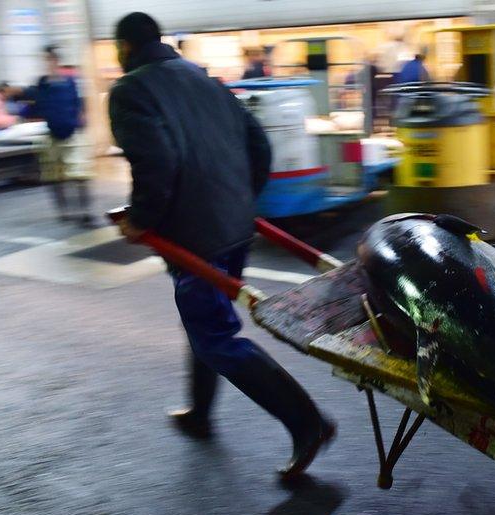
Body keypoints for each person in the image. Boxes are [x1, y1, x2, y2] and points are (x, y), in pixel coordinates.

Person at [109, 12, 335, 480]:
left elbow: (156, 162)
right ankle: (199, 412)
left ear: (125, 47)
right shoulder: (200, 76)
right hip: (233, 225)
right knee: (205, 320)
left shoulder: (131, 90)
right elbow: (258, 142)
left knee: (213, 333)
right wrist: (241, 199)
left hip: (192, 233)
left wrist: (140, 220)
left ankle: (308, 422)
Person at [22, 46, 94, 226]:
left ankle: (85, 210)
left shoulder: (70, 82)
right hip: (52, 133)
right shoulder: (42, 84)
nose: (47, 64)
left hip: (71, 132)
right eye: (45, 60)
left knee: (79, 174)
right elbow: (35, 106)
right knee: (54, 176)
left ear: (56, 60)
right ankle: (64, 211)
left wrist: (81, 121)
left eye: (49, 60)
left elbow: (79, 104)